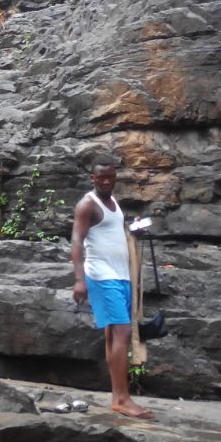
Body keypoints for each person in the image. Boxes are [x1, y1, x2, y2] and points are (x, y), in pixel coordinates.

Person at [70, 154, 155, 420]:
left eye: (110, 177)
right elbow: (76, 241)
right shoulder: (87, 204)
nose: (106, 181)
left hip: (121, 276)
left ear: (115, 177)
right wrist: (79, 280)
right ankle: (122, 398)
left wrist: (135, 231)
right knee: (121, 333)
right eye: (101, 177)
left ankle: (118, 397)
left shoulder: (114, 203)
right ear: (92, 178)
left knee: (113, 336)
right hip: (102, 276)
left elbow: (113, 233)